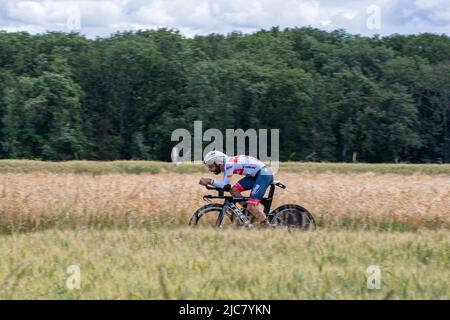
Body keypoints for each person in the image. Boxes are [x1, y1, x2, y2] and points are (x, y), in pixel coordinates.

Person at [199, 150, 274, 224]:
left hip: (264, 174)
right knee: (234, 190)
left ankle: (267, 226)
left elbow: (224, 184)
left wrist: (209, 181)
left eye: (211, 166)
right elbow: (226, 187)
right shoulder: (228, 162)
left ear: (218, 162)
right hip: (255, 175)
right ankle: (249, 213)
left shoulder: (229, 164)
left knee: (251, 205)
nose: (210, 169)